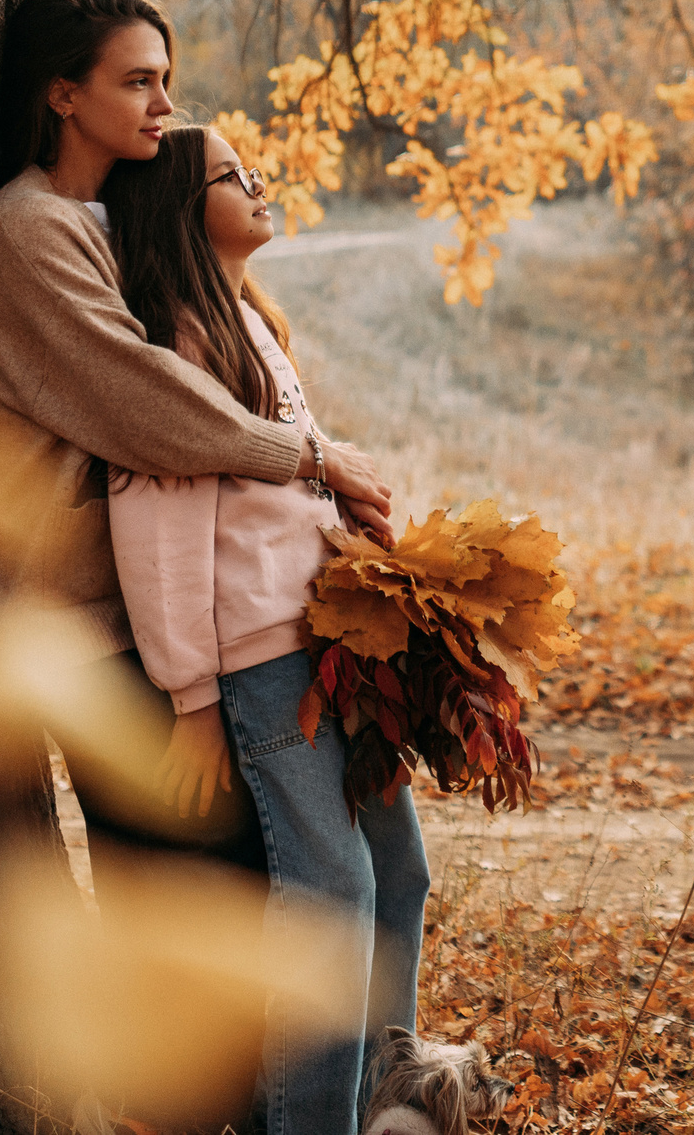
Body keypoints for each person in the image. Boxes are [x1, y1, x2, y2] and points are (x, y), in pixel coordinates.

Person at [0, 0, 395, 877]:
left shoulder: (120, 220)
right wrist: (314, 460)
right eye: (137, 82)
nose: (165, 104)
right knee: (175, 872)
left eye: (166, 80)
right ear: (63, 93)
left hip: (148, 608)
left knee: (232, 870)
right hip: (71, 617)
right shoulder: (25, 228)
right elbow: (142, 399)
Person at [102, 125, 430, 1135]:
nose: (256, 185)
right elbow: (158, 536)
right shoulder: (181, 347)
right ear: (177, 211)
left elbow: (292, 487)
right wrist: (192, 700)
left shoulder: (252, 326)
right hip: (263, 669)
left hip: (333, 651)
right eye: (228, 178)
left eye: (252, 170)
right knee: (331, 896)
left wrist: (359, 522)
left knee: (398, 875)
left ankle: (391, 1103)